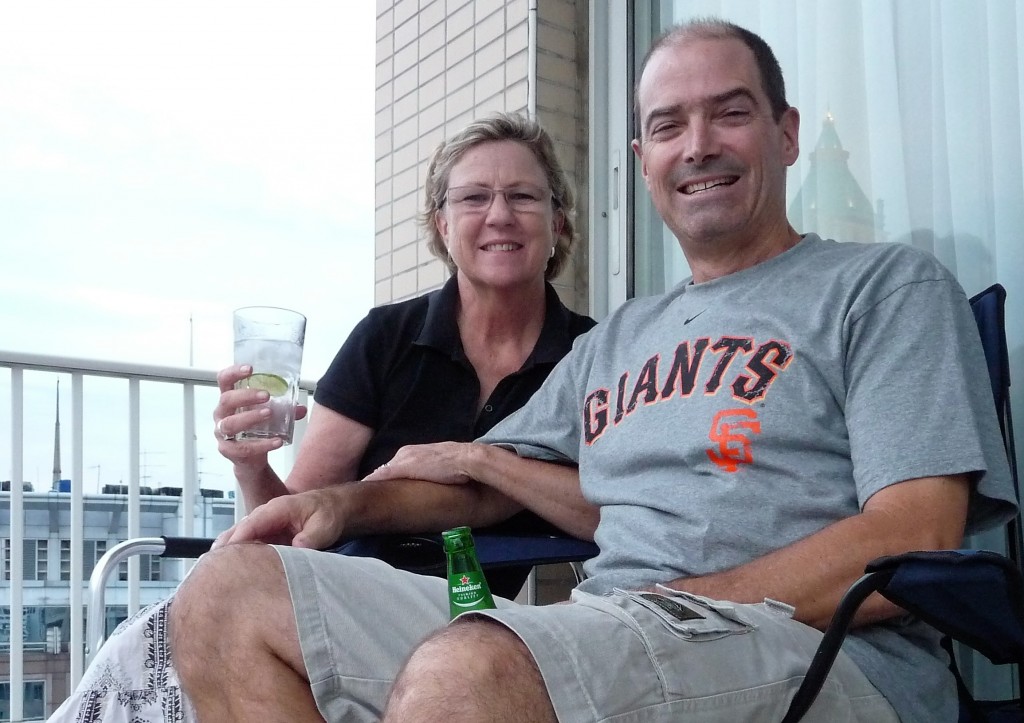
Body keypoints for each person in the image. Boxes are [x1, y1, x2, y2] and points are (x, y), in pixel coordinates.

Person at [58, 18, 1016, 723]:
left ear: (788, 133)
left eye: (730, 114)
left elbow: (917, 530)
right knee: (228, 596)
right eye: (669, 126)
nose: (698, 146)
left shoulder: (883, 287)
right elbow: (468, 481)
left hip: (821, 650)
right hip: (611, 629)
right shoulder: (615, 343)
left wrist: (680, 601)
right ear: (641, 162)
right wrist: (344, 508)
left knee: (473, 671)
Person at [45, 111, 594, 723]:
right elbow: (295, 512)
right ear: (442, 223)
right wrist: (252, 463)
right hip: (334, 589)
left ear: (558, 221)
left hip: (480, 620)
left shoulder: (592, 356)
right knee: (176, 633)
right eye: (473, 198)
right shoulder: (387, 337)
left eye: (523, 196)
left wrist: (477, 463)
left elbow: (609, 503)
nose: (498, 214)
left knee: (216, 614)